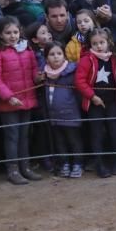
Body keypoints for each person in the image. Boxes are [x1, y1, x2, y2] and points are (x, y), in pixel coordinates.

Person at [0, 16, 41, 185]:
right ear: (1, 34)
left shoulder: (27, 49)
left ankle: (26, 167)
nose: (12, 36)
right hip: (8, 102)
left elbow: (33, 70)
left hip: (27, 99)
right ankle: (13, 169)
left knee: (25, 135)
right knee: (12, 136)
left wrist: (38, 77)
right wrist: (9, 97)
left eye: (15, 32)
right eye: (8, 32)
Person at [75, 27, 116, 178]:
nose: (99, 46)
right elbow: (79, 81)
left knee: (115, 132)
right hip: (95, 103)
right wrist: (92, 96)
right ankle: (99, 164)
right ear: (90, 45)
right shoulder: (87, 59)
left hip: (113, 102)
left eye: (102, 42)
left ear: (108, 42)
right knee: (97, 134)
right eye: (95, 43)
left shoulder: (114, 58)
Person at [41, 42, 83, 179]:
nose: (56, 57)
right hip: (53, 116)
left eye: (59, 54)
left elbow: (78, 94)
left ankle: (77, 164)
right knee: (59, 142)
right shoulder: (44, 74)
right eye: (52, 54)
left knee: (74, 140)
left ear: (64, 56)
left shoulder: (71, 71)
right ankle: (64, 163)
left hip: (71, 114)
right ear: (46, 58)